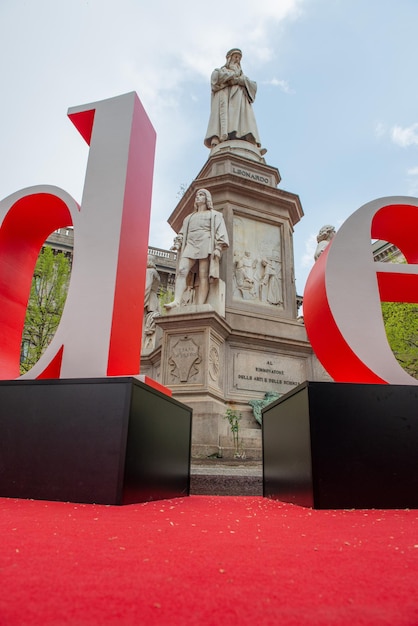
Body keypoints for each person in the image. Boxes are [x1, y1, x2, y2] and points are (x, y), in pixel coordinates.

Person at [165, 189, 229, 309]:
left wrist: (218, 248)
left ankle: (200, 305)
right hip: (190, 244)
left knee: (203, 274)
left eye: (201, 195)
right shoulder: (189, 218)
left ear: (207, 198)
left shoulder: (215, 215)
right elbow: (182, 233)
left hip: (205, 243)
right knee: (182, 270)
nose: (197, 197)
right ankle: (177, 301)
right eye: (197, 195)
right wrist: (177, 243)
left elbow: (220, 232)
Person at [204, 48, 264, 152]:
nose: (237, 60)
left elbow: (253, 86)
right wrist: (233, 76)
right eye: (235, 57)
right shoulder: (219, 71)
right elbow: (215, 81)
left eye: (239, 58)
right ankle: (218, 138)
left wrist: (240, 80)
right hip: (225, 100)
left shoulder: (243, 76)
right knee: (224, 118)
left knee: (245, 118)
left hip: (240, 100)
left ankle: (249, 141)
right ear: (229, 58)